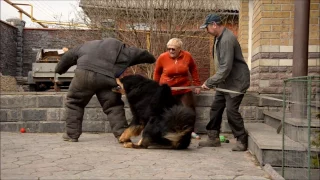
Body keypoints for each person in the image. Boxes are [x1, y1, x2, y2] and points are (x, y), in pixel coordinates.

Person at [55, 38, 156, 142]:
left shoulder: (84, 46)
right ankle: (122, 135)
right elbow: (141, 54)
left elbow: (67, 57)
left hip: (83, 77)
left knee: (74, 103)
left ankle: (71, 135)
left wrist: (59, 70)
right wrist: (152, 59)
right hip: (107, 78)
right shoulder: (120, 49)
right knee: (113, 106)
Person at [198, 14, 250, 151]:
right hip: (225, 82)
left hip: (236, 82)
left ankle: (241, 140)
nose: (207, 30)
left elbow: (226, 68)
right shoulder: (218, 37)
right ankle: (213, 138)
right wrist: (215, 82)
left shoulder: (227, 39)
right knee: (216, 108)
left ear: (214, 24)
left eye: (207, 27)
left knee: (232, 110)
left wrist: (209, 82)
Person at [153, 38, 201, 139]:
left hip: (184, 87)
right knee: (165, 110)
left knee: (189, 109)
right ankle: (165, 131)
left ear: (180, 49)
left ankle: (190, 131)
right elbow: (157, 72)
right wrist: (155, 87)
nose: (170, 51)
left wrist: (197, 84)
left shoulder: (187, 56)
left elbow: (193, 69)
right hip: (167, 89)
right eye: (169, 49)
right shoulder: (162, 57)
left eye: (173, 49)